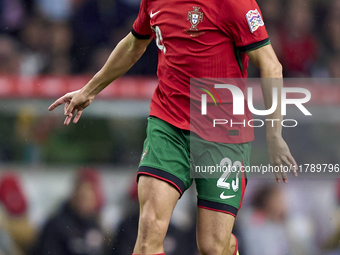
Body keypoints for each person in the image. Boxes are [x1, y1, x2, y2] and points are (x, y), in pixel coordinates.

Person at [48, 0, 298, 253]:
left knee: (213, 247)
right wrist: (89, 91)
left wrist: (274, 134)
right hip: (168, 124)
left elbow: (271, 64)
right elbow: (135, 43)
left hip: (222, 132)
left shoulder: (234, 3)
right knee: (148, 236)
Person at [34, 169, 105, 255]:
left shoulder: (95, 226)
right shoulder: (56, 226)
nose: (85, 202)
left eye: (89, 198)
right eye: (82, 197)